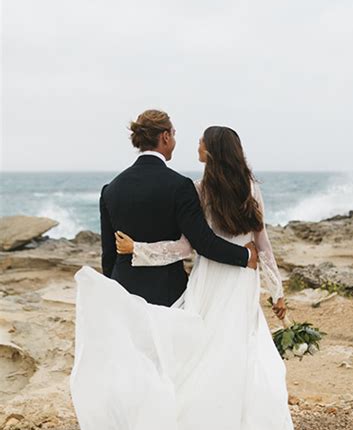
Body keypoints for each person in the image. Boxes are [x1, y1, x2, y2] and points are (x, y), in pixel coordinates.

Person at [0, 122, 302, 430]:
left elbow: (191, 246)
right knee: (229, 361)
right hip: (232, 282)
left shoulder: (178, 188)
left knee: (208, 362)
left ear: (210, 149)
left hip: (212, 282)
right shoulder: (211, 188)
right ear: (164, 139)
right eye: (182, 135)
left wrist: (131, 256)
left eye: (200, 139)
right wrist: (269, 283)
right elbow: (255, 246)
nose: (190, 143)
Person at [100, 109, 258, 306]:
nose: (174, 140)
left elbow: (108, 254)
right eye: (173, 134)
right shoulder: (179, 186)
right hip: (166, 293)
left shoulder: (111, 189)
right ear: (165, 137)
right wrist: (246, 256)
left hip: (121, 291)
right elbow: (202, 242)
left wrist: (110, 292)